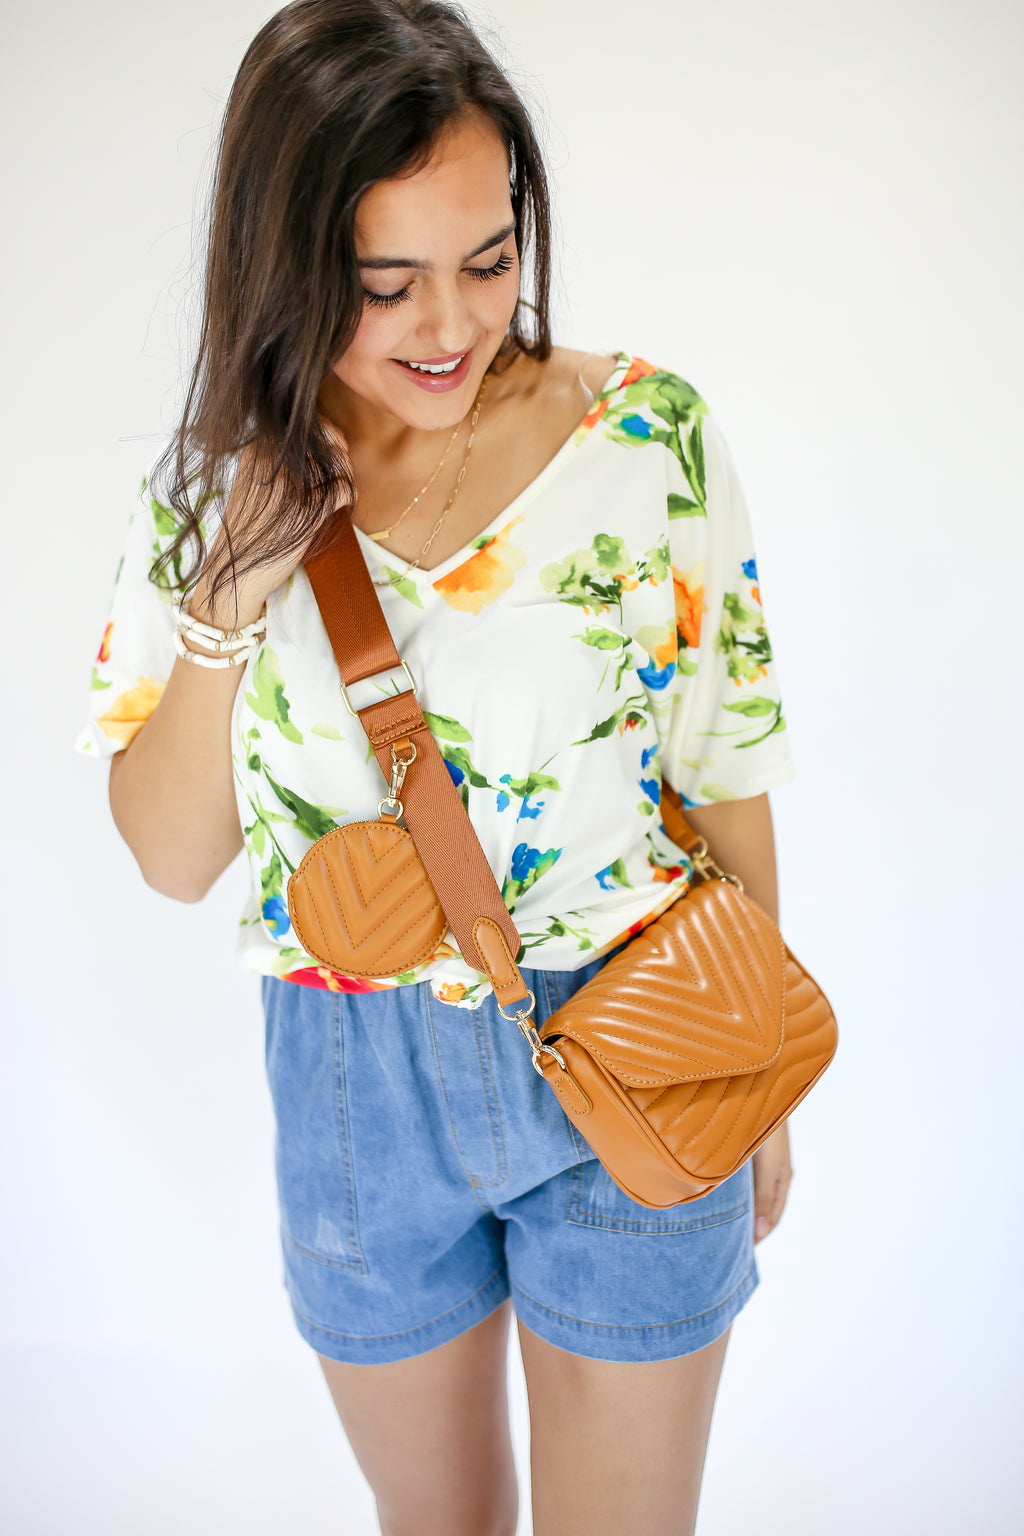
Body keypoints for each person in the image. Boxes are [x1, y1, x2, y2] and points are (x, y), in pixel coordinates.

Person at [77, 2, 799, 1531]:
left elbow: (724, 758)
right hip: (350, 1083)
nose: (450, 326)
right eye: (384, 283)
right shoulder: (215, 490)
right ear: (282, 262)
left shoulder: (647, 439)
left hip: (642, 1023)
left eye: (488, 258)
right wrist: (225, 612)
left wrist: (763, 1079)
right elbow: (169, 853)